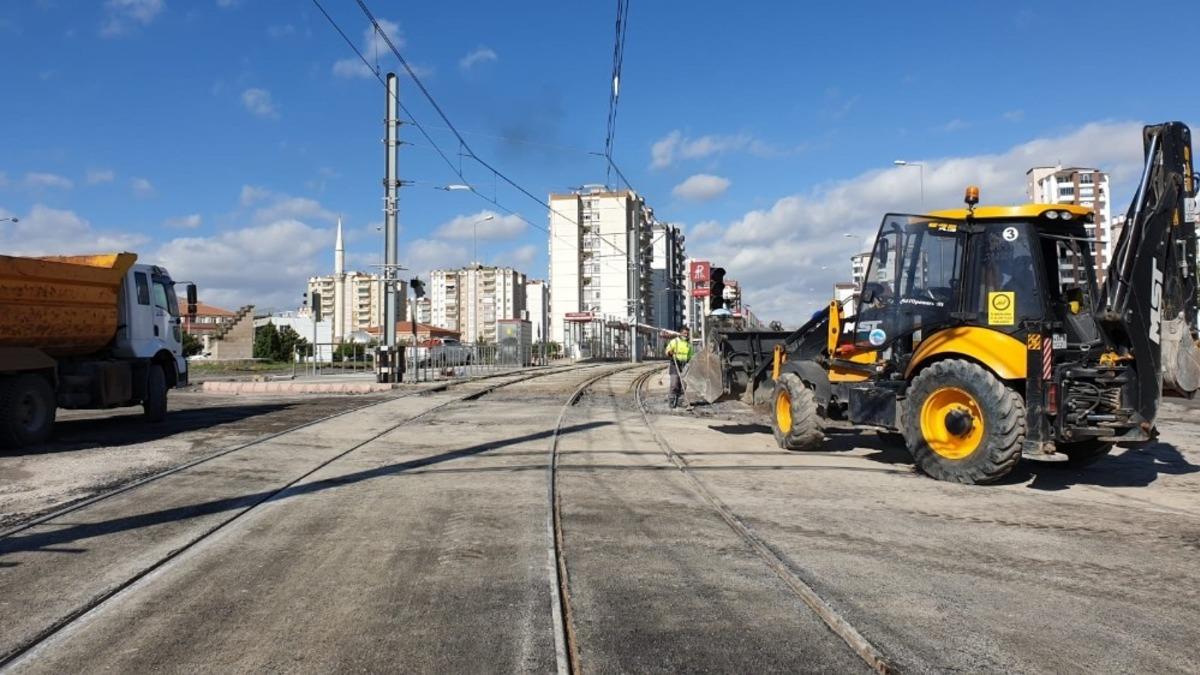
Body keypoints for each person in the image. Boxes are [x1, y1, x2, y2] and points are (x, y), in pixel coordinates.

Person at [664, 327, 693, 408]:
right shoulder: (675, 341)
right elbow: (667, 350)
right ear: (680, 333)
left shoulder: (689, 344)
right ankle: (672, 400)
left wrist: (690, 362)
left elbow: (691, 355)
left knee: (683, 384)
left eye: (687, 333)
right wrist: (670, 352)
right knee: (674, 383)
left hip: (684, 365)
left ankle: (680, 401)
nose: (686, 335)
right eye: (684, 333)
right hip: (675, 363)